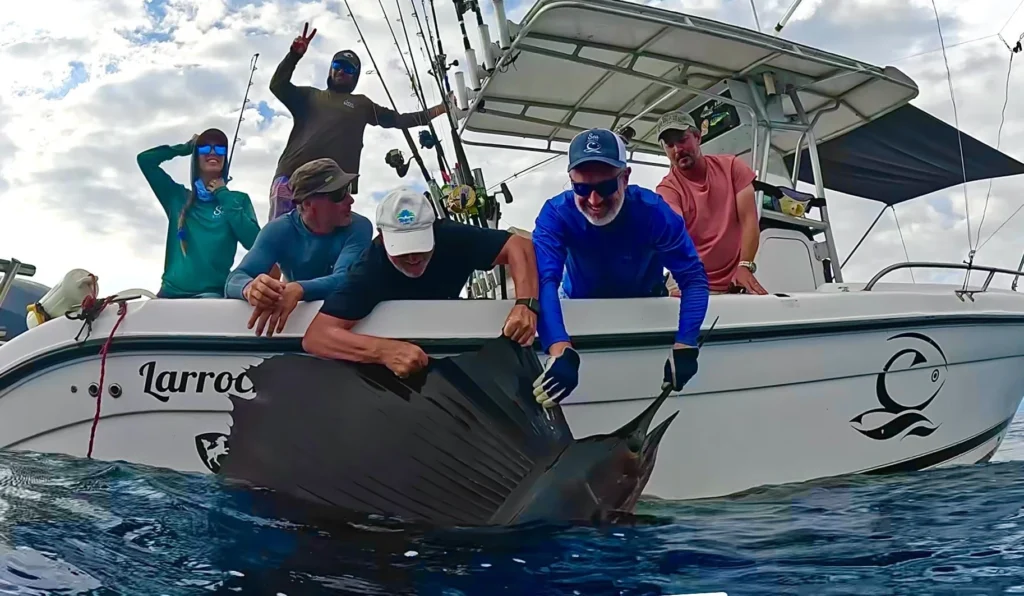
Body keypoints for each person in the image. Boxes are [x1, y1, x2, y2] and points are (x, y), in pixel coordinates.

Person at [530, 128, 710, 409]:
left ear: (625, 178)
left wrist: (686, 344)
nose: (594, 201)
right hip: (580, 308)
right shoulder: (555, 214)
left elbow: (693, 279)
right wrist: (559, 347)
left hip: (644, 308)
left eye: (605, 188)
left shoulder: (654, 213)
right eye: (581, 188)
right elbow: (544, 281)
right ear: (570, 181)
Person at [302, 187, 540, 378]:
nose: (413, 257)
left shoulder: (452, 237)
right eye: (403, 250)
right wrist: (383, 351)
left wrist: (526, 304)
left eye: (420, 246)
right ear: (382, 237)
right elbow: (317, 337)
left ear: (433, 229)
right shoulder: (370, 267)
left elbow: (518, 245)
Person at [267, 22, 452, 221]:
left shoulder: (361, 104)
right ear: (330, 70)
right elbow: (278, 86)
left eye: (348, 69)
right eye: (337, 66)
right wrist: (294, 55)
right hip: (291, 179)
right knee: (279, 241)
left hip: (333, 189)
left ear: (355, 76)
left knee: (328, 247)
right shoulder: (309, 95)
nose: (340, 71)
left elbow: (397, 120)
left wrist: (440, 109)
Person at [224, 158, 372, 337]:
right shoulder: (278, 230)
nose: (350, 199)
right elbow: (234, 279)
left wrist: (298, 289)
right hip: (297, 330)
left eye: (347, 189)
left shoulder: (359, 227)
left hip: (341, 327)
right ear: (308, 204)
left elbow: (346, 280)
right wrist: (251, 289)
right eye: (339, 193)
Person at [654, 110, 767, 295]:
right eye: (670, 144)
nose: (677, 149)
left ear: (697, 137)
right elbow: (672, 233)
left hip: (737, 280)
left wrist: (745, 266)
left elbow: (749, 221)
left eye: (682, 140)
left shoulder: (732, 167)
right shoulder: (667, 190)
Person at [136, 128, 260, 298]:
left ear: (225, 157)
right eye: (204, 148)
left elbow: (254, 242)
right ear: (196, 157)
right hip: (169, 294)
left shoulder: (238, 200)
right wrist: (185, 148)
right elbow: (144, 160)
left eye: (220, 149)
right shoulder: (177, 197)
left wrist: (223, 194)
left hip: (212, 295)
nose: (213, 153)